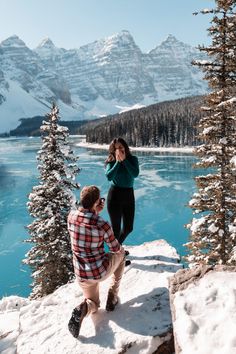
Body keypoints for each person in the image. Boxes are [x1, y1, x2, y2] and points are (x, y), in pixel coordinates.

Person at [67, 185, 125, 338]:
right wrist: (97, 214)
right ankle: (112, 297)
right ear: (97, 202)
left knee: (93, 304)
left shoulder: (71, 216)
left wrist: (94, 210)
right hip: (99, 271)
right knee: (122, 253)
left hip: (81, 274)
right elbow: (115, 248)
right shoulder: (102, 224)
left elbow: (85, 222)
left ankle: (82, 309)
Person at [105, 137, 139, 246]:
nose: (119, 150)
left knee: (129, 228)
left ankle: (116, 249)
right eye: (116, 148)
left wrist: (124, 160)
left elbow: (135, 174)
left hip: (129, 195)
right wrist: (118, 162)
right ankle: (116, 253)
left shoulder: (133, 159)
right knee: (115, 229)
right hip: (115, 196)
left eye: (121, 147)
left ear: (125, 147)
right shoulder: (111, 161)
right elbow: (109, 176)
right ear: (113, 150)